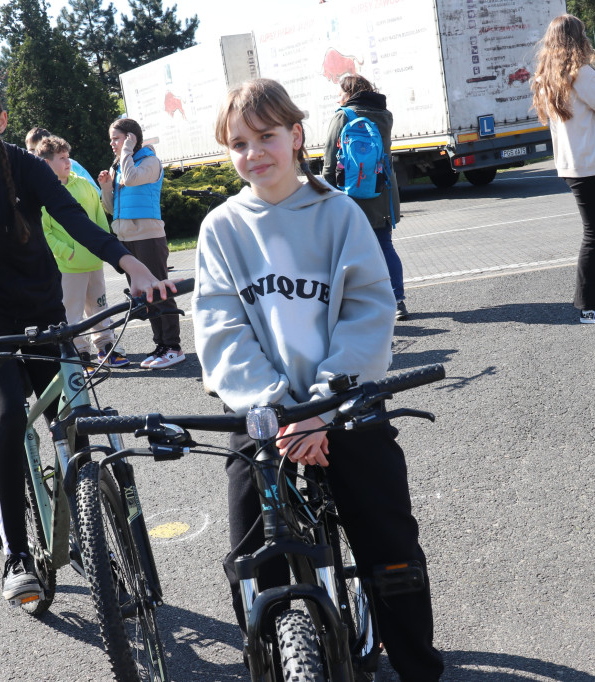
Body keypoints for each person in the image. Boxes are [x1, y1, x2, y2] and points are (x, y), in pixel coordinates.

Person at [192, 78, 444, 681]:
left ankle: (417, 665)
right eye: (239, 142)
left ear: (297, 136)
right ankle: (277, 659)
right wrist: (280, 408)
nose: (254, 152)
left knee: (389, 543)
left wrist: (323, 407)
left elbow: (367, 312)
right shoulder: (220, 229)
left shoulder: (340, 216)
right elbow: (222, 332)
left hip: (345, 403)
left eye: (267, 137)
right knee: (251, 554)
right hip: (265, 415)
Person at [0, 75, 175, 605]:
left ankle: (86, 513)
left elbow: (78, 221)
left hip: (44, 312)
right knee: (8, 417)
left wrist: (133, 268)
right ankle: (16, 554)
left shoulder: (28, 167)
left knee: (77, 415)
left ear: (2, 122)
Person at [532, 14, 595, 325]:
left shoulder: (547, 76)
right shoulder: (581, 75)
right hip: (591, 162)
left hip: (573, 163)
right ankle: (592, 304)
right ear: (578, 38)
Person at [34, 134, 129, 367]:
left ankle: (107, 348)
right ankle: (79, 353)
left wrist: (104, 250)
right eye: (62, 158)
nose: (68, 162)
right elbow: (45, 231)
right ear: (46, 163)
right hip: (68, 267)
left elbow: (99, 220)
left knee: (99, 307)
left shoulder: (85, 186)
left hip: (94, 263)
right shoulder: (42, 194)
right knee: (71, 314)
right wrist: (68, 252)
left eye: (68, 156)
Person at [98, 118, 184, 369]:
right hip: (126, 239)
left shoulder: (149, 162)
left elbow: (133, 179)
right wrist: (105, 187)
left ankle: (173, 347)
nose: (112, 144)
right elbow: (111, 208)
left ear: (131, 138)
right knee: (144, 297)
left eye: (117, 138)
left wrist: (126, 150)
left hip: (148, 237)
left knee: (160, 290)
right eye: (112, 140)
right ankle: (160, 344)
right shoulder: (120, 166)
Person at [321, 74, 409, 322]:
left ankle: (354, 306)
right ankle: (397, 301)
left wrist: (327, 196)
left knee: (346, 252)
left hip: (350, 196)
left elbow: (330, 164)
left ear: (348, 94)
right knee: (384, 246)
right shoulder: (384, 115)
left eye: (340, 93)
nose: (338, 98)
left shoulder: (343, 116)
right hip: (382, 191)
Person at [25, 126, 101, 193]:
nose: (36, 153)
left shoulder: (70, 164)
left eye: (39, 148)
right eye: (32, 149)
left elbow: (95, 190)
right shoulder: (29, 172)